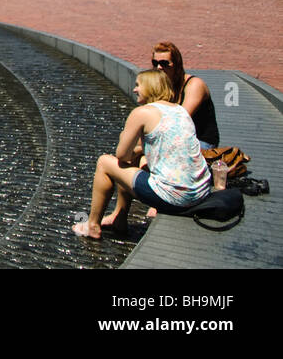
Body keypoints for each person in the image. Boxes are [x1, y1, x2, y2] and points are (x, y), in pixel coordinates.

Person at [72, 68, 211, 238]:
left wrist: (129, 144)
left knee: (104, 162)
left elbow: (121, 155)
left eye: (138, 85)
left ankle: (92, 225)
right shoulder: (179, 110)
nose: (134, 89)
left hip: (176, 198)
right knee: (135, 159)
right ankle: (119, 219)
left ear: (150, 87)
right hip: (201, 192)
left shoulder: (142, 113)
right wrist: (138, 151)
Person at [151, 41, 219, 150]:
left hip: (200, 141)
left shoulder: (194, 85)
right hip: (174, 139)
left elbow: (181, 119)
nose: (159, 67)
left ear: (176, 64)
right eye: (155, 63)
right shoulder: (160, 85)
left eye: (164, 63)